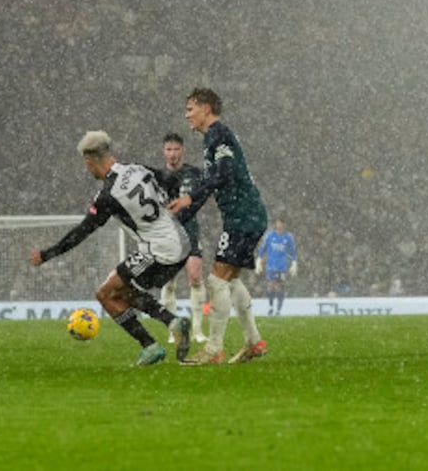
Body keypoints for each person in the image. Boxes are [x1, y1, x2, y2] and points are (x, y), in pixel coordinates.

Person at [29, 131, 193, 367]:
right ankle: (172, 322)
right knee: (121, 290)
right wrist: (172, 203)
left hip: (160, 251)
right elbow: (170, 179)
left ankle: (151, 345)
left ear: (90, 161)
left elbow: (82, 231)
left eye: (87, 165)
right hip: (180, 241)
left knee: (105, 294)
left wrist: (47, 254)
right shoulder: (137, 168)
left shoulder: (108, 194)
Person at [166, 88, 268, 366]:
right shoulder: (215, 136)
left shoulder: (217, 134)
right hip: (245, 214)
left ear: (206, 109)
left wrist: (189, 198)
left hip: (242, 216)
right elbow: (213, 183)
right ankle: (254, 342)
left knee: (216, 281)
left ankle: (214, 350)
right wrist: (188, 210)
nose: (186, 114)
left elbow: (224, 173)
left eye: (190, 108)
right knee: (231, 281)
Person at [158, 133, 209, 344]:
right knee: (168, 283)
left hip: (190, 229)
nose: (172, 154)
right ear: (163, 152)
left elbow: (204, 194)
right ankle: (173, 330)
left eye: (176, 149)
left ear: (183, 151)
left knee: (195, 278)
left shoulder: (194, 173)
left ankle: (197, 329)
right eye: (168, 149)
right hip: (167, 233)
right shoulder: (157, 177)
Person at [257, 219, 297, 316]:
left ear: (285, 225)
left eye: (282, 223)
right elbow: (264, 248)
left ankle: (278, 310)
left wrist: (294, 262)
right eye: (278, 223)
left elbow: (292, 251)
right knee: (271, 285)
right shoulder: (270, 236)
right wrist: (259, 260)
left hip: (282, 266)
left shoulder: (288, 237)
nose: (280, 225)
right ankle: (271, 307)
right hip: (271, 265)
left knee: (279, 287)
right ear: (276, 224)